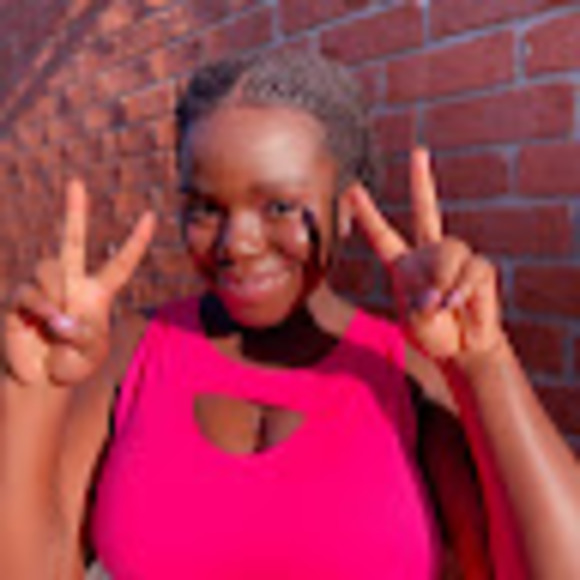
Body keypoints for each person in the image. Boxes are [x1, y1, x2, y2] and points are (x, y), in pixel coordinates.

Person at [0, 50, 579, 580]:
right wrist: (31, 395)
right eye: (205, 208)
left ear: (348, 208)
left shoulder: (408, 376)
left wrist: (485, 363)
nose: (236, 244)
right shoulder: (132, 354)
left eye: (279, 206)